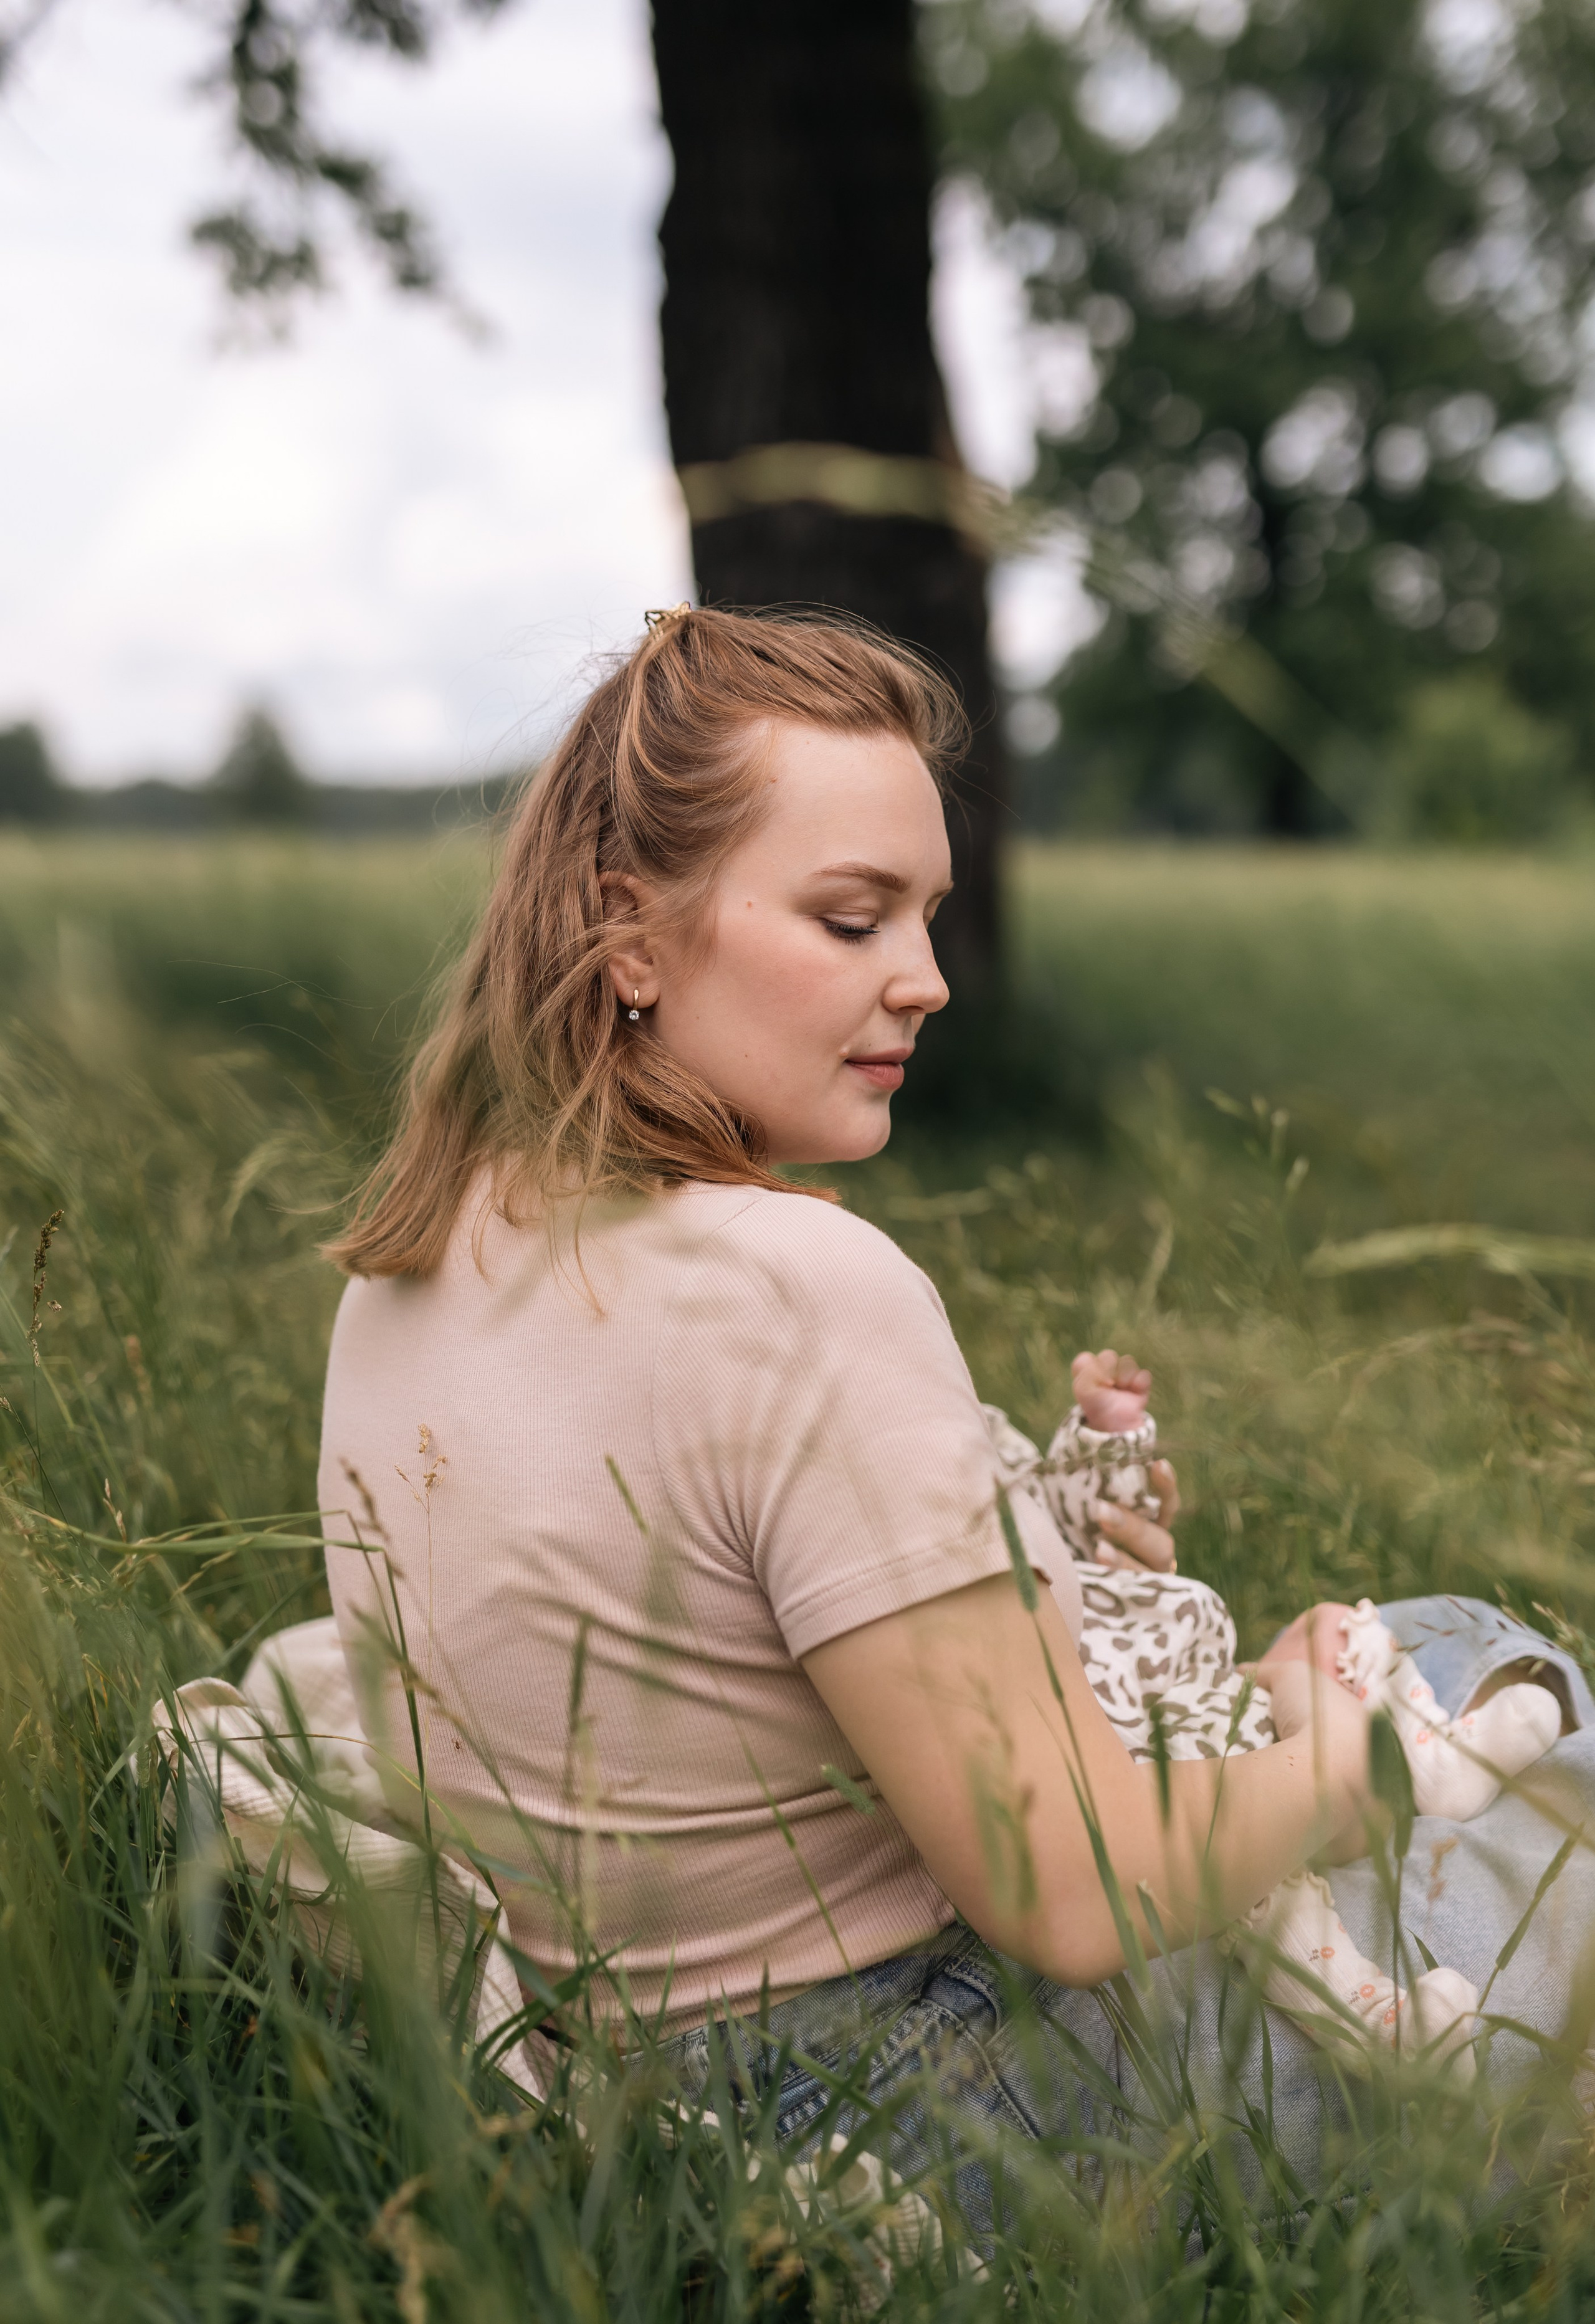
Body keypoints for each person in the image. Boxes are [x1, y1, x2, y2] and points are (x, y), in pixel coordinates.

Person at [316, 605, 1595, 2221]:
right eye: (852, 919)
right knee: (1480, 1660)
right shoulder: (802, 1286)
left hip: (618, 2089)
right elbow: (1067, 1890)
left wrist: (1049, 1567)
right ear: (627, 929)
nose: (922, 978)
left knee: (1428, 1650)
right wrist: (1350, 1762)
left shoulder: (407, 1263)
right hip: (932, 2109)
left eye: (926, 914)